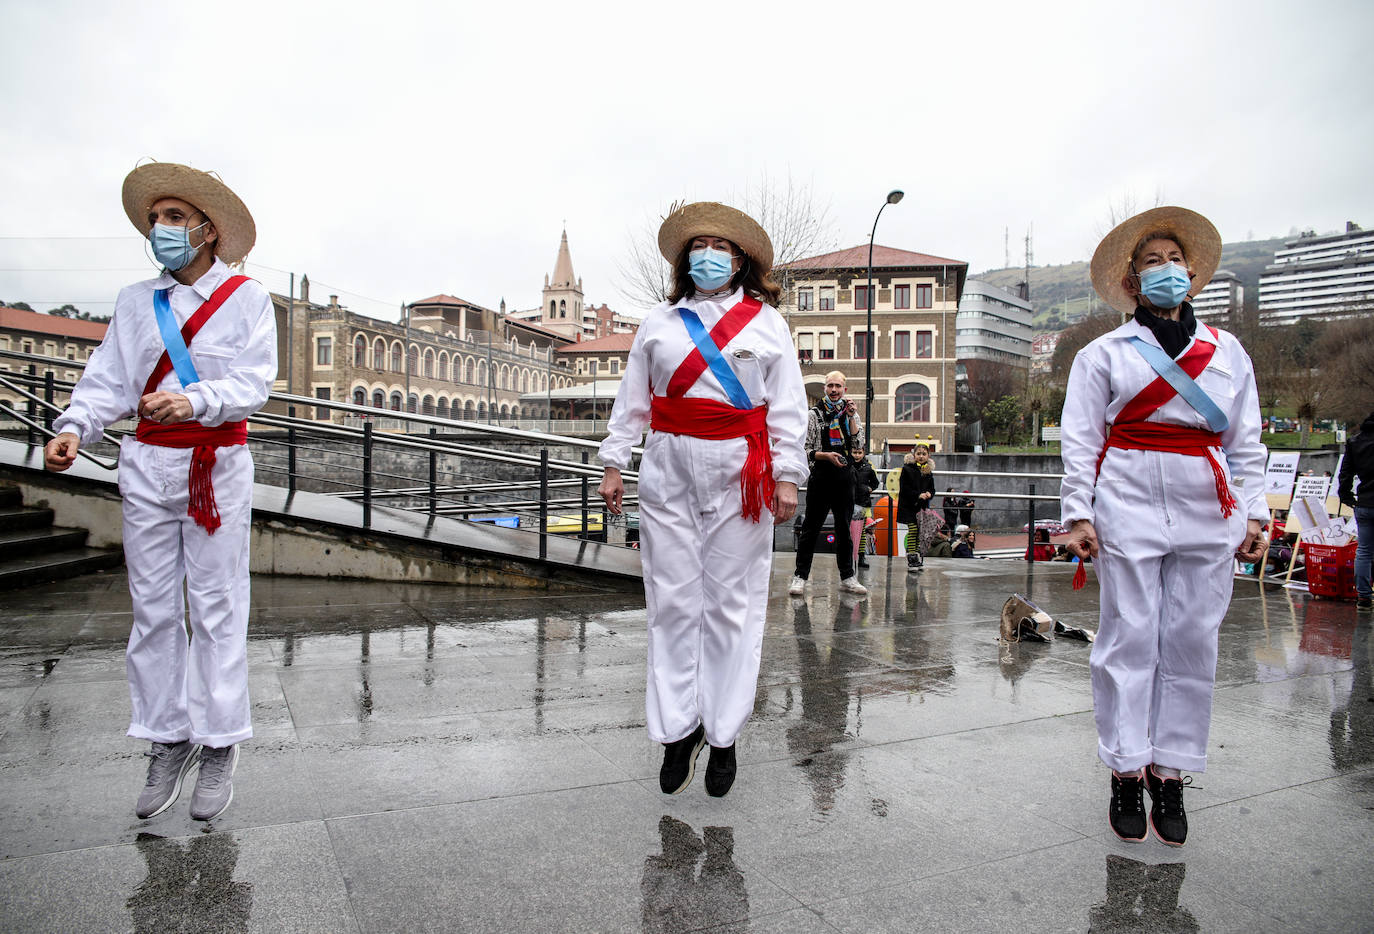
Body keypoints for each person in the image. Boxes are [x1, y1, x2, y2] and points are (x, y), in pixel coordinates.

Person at [43, 163, 276, 821]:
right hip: (145, 461)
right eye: (155, 219)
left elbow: (254, 382)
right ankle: (166, 736)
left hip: (214, 463)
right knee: (151, 608)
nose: (161, 229)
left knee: (217, 605)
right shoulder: (134, 301)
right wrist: (75, 425)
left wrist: (195, 399)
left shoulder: (248, 299)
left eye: (174, 218)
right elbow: (108, 377)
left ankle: (220, 740)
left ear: (207, 229)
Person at [1062, 206, 1268, 847]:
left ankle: (1170, 770)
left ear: (1193, 273)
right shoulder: (1103, 354)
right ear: (1131, 282)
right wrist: (1078, 512)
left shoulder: (1229, 353)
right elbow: (1080, 437)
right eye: (1152, 262)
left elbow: (1246, 441)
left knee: (1192, 638)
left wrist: (1256, 509)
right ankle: (1126, 768)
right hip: (1127, 492)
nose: (1166, 270)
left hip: (1207, 501)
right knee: (1130, 635)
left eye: (1174, 260)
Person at [598, 201, 806, 798]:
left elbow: (788, 405)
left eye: (721, 246)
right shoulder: (657, 324)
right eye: (699, 244)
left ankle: (723, 733)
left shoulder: (768, 324)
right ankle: (676, 730)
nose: (708, 254)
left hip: (743, 470)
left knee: (730, 606)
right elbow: (632, 399)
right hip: (668, 467)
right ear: (686, 258)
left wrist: (788, 475)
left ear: (741, 260)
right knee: (672, 602)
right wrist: (615, 459)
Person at [788, 371, 867, 596]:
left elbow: (858, 445)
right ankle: (800, 576)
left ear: (845, 390)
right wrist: (827, 456)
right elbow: (806, 449)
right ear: (825, 388)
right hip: (821, 477)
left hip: (844, 477)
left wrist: (852, 417)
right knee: (810, 528)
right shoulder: (814, 414)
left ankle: (848, 577)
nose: (834, 390)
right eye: (830, 386)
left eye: (838, 386)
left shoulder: (851, 414)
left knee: (844, 529)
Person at [1337, 410, 1374, 609]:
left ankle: (1364, 597)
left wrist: (1346, 496)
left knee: (1364, 551)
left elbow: (1345, 473)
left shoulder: (1355, 442)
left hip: (1365, 502)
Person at [896, 444, 938, 570]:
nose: (921, 456)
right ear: (914, 455)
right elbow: (904, 488)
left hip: (921, 508)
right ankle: (911, 557)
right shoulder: (907, 469)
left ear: (928, 456)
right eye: (918, 454)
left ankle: (916, 557)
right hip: (908, 506)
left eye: (924, 454)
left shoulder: (928, 471)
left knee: (919, 532)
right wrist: (918, 495)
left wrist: (929, 494)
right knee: (913, 530)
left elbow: (932, 488)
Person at [850, 446, 879, 569]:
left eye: (859, 453)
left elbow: (875, 482)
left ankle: (861, 556)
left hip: (863, 503)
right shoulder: (847, 466)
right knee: (849, 532)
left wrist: (870, 489)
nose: (857, 455)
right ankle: (850, 556)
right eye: (854, 452)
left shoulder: (867, 468)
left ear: (863, 453)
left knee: (861, 533)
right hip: (849, 502)